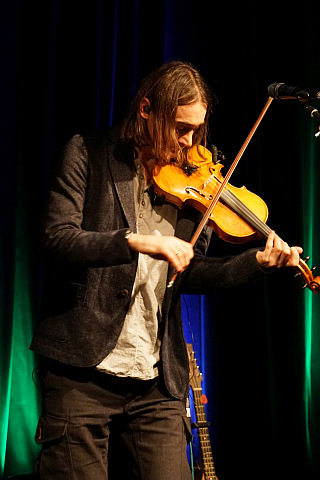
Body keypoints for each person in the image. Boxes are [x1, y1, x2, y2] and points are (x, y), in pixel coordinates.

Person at [30, 60, 302, 480]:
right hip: (80, 371)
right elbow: (55, 238)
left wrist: (256, 263)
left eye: (197, 129)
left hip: (157, 379)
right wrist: (135, 241)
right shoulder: (87, 152)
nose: (190, 142)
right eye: (180, 127)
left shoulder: (193, 185)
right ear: (145, 110)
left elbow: (191, 274)